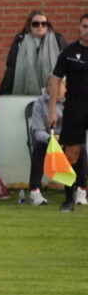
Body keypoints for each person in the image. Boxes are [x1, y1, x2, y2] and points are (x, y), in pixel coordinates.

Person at [47, 13, 88, 212]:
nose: (87, 30)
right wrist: (52, 110)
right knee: (71, 153)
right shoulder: (69, 52)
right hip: (75, 106)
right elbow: (55, 80)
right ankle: (68, 199)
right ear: (79, 27)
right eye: (85, 26)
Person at [27, 79, 87, 207]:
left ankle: (81, 191)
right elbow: (37, 130)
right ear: (49, 87)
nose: (61, 89)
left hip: (68, 139)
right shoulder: (39, 103)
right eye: (56, 85)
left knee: (80, 147)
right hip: (49, 140)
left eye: (62, 85)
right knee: (39, 148)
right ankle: (35, 192)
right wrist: (51, 139)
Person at [0, 10, 68, 95]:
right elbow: (12, 66)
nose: (40, 26)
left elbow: (68, 65)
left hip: (53, 96)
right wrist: (4, 91)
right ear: (29, 26)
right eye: (36, 24)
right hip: (25, 93)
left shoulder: (57, 40)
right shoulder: (20, 40)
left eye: (44, 23)